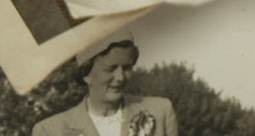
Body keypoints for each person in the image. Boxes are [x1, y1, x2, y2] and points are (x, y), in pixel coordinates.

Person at [32, 31, 177, 136]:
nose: (120, 77)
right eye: (111, 69)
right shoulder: (49, 131)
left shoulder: (160, 112)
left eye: (126, 68)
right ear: (86, 74)